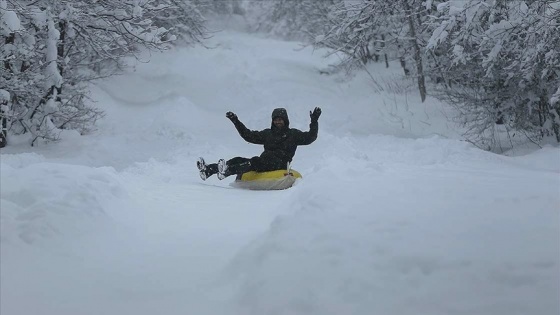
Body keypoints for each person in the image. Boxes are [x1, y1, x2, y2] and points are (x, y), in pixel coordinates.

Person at [197, 107, 321, 180]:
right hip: (264, 162)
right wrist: (236, 121)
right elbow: (248, 135)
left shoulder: (293, 134)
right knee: (238, 159)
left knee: (254, 162)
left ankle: (227, 171)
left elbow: (310, 137)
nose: (278, 122)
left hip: (279, 164)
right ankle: (208, 170)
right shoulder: (268, 134)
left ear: (285, 121)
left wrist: (314, 121)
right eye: (276, 119)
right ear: (272, 121)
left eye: (280, 119)